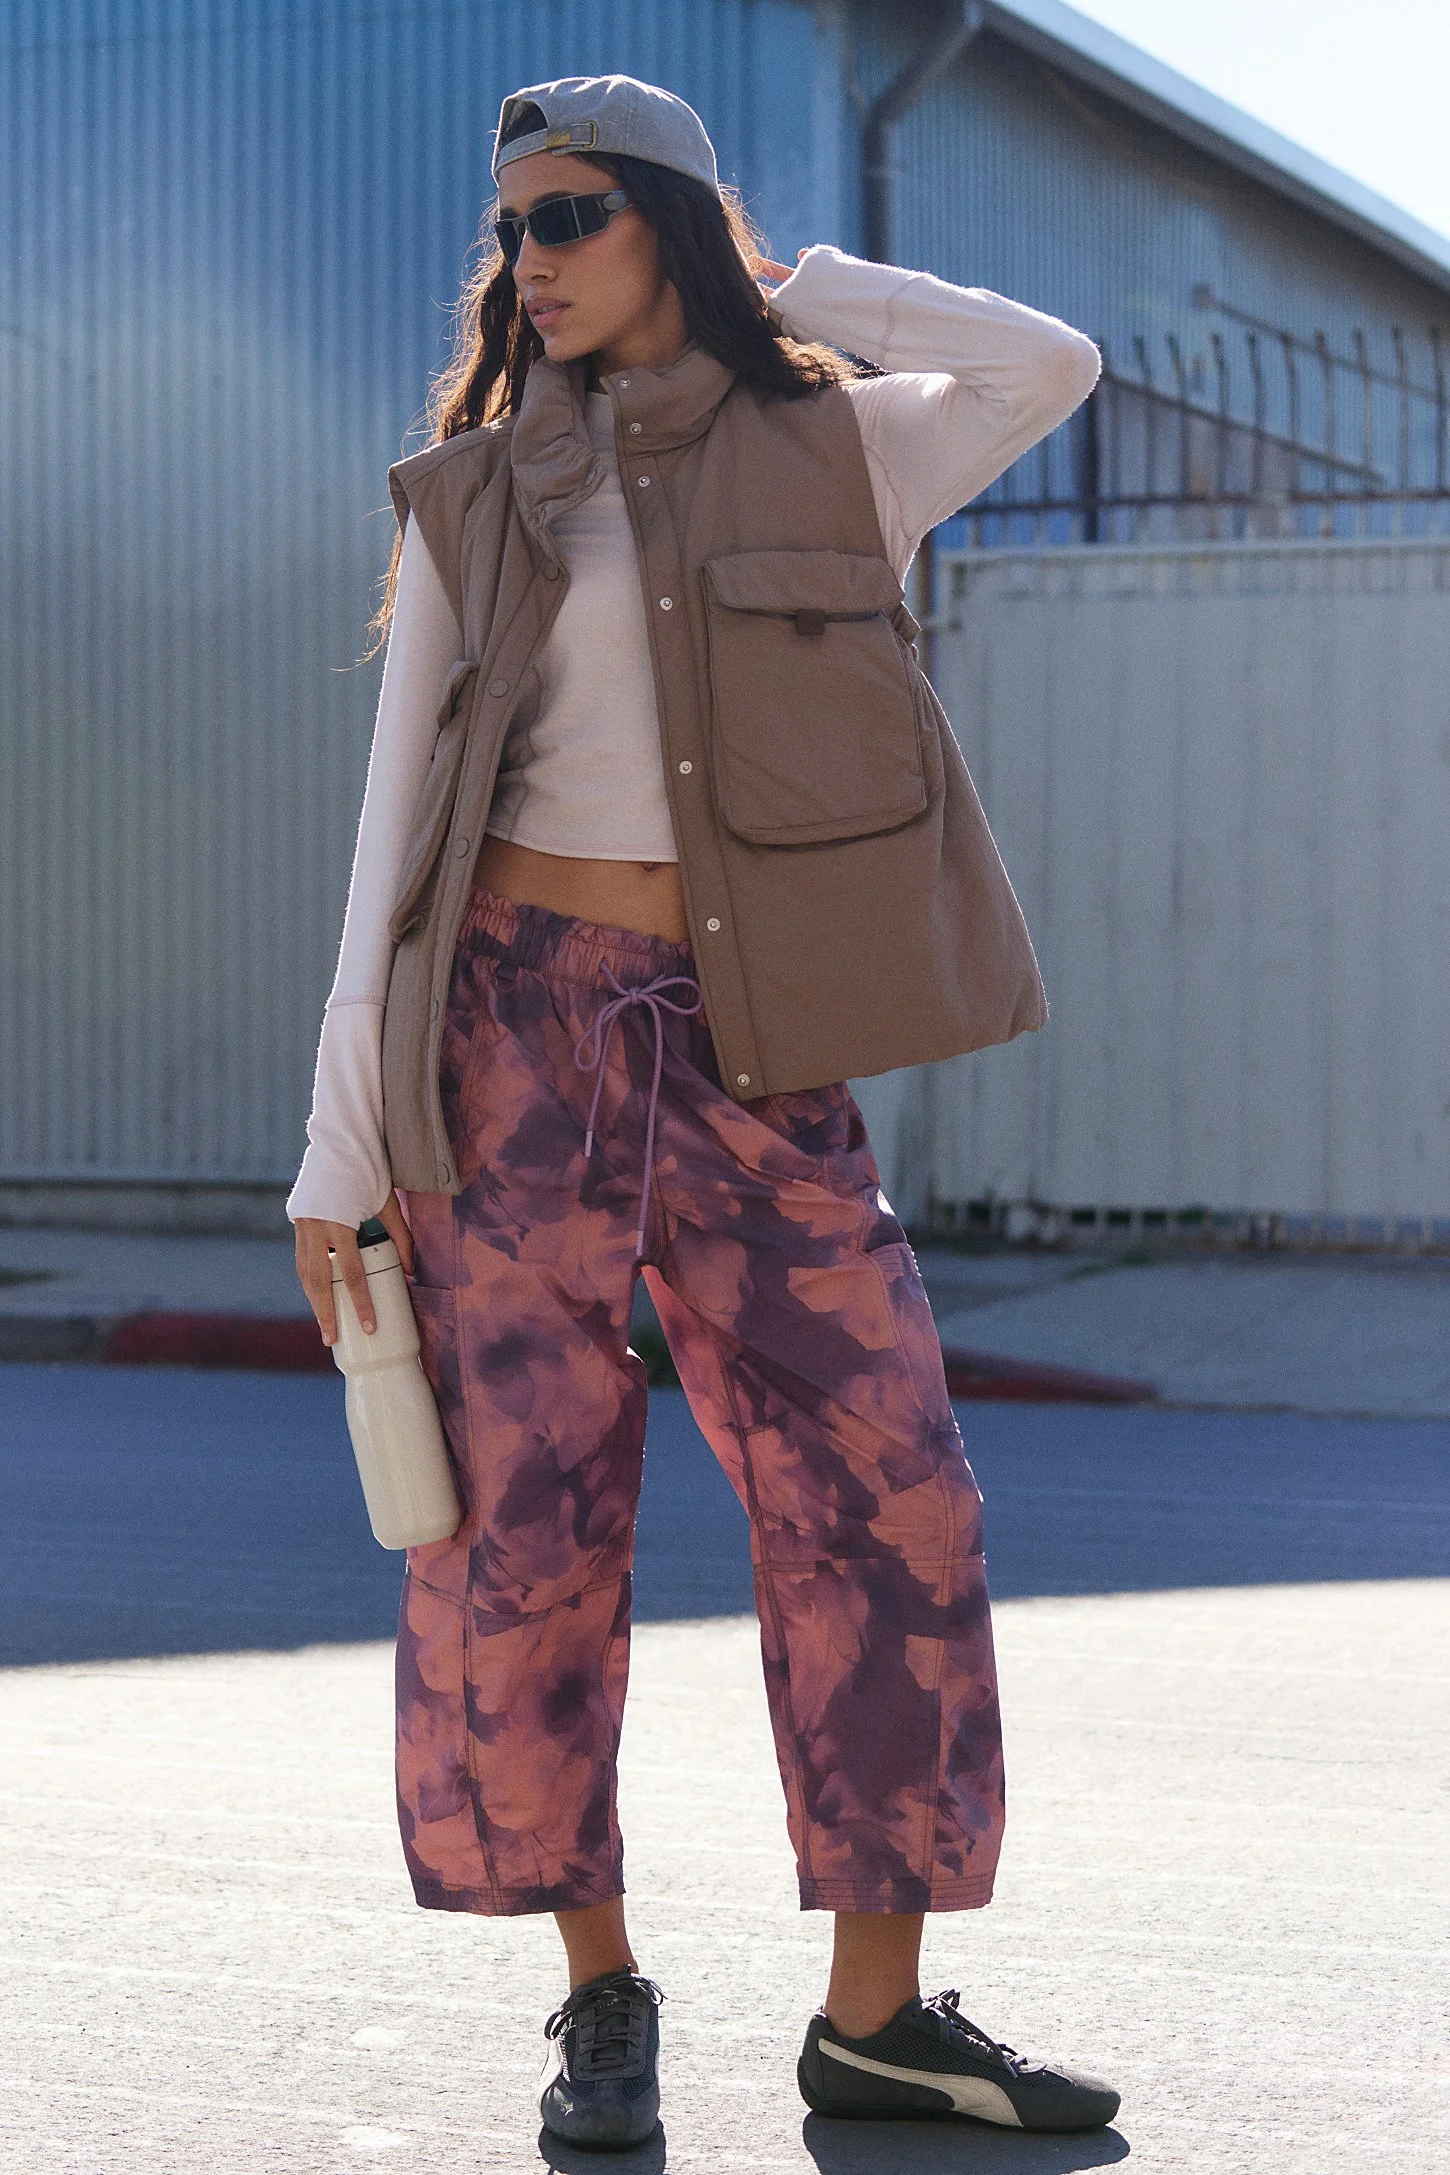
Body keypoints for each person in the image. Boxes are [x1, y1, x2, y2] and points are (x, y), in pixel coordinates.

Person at [290, 71, 1117, 2153]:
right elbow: (394, 834)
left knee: (891, 1499)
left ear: (666, 214)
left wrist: (789, 272)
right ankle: (597, 1994)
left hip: (747, 1050)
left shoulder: (839, 442)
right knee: (522, 1540)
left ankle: (876, 2015)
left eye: (569, 214)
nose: (528, 261)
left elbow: (1047, 361)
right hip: (505, 1044)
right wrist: (334, 1152)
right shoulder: (482, 488)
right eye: (508, 231)